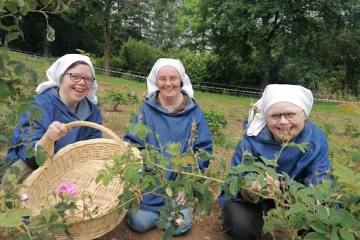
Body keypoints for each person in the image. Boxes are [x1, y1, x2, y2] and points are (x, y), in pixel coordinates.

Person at [218, 84, 332, 240]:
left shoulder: (315, 140)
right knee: (241, 225)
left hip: (297, 198)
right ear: (266, 117)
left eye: (291, 114)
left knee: (319, 222)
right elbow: (236, 178)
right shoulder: (251, 138)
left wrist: (309, 205)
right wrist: (249, 188)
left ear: (304, 114)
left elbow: (320, 181)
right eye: (275, 116)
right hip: (257, 199)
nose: (284, 122)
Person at [124, 58, 213, 236]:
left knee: (179, 224)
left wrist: (189, 183)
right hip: (150, 183)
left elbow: (203, 151)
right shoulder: (145, 110)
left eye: (173, 78)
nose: (168, 83)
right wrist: (135, 181)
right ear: (155, 81)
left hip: (179, 184)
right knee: (139, 222)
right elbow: (131, 146)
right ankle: (158, 214)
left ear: (181, 80)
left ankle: (173, 212)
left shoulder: (195, 112)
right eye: (162, 79)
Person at [2, 54, 102, 184]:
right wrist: (48, 139)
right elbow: (28, 153)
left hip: (69, 170)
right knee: (12, 182)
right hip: (32, 167)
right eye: (75, 76)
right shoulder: (40, 105)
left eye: (88, 79)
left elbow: (92, 151)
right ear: (60, 77)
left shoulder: (93, 113)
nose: (82, 83)